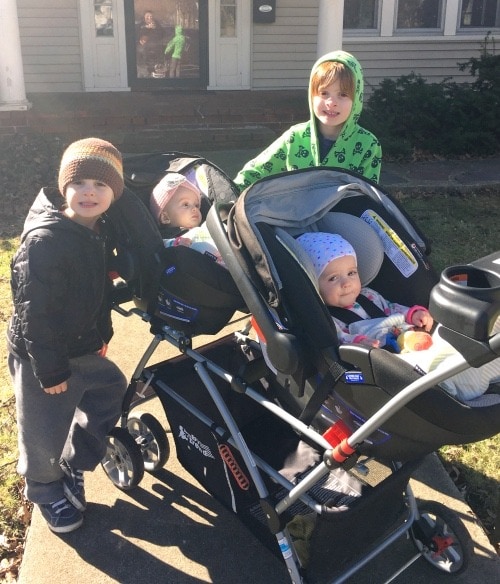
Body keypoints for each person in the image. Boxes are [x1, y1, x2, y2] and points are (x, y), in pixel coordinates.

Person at [7, 137, 128, 533]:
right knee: (42, 432)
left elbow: (95, 288)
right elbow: (34, 314)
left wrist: (101, 330)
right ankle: (45, 489)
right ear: (64, 188)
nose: (89, 192)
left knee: (110, 390)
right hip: (42, 353)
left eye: (101, 185)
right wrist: (51, 369)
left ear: (115, 193)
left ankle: (74, 461)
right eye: (80, 183)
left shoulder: (97, 230)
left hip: (83, 343)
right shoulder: (46, 241)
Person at [296, 232, 500, 404]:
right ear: (314, 284)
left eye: (351, 273)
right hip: (394, 362)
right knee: (446, 364)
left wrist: (413, 313)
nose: (347, 283)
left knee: (458, 332)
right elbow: (340, 339)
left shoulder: (369, 296)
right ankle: (464, 375)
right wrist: (360, 343)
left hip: (418, 338)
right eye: (333, 278)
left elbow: (392, 309)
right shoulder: (329, 319)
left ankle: (484, 350)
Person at [233, 50, 382, 193]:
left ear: (356, 99)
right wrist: (231, 191)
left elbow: (368, 197)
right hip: (295, 216)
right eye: (324, 93)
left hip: (341, 217)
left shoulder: (367, 145)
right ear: (312, 95)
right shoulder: (295, 137)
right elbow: (257, 170)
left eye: (342, 94)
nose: (331, 102)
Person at [149, 172, 224, 266]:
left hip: (229, 257)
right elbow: (162, 248)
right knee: (199, 245)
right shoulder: (167, 239)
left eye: (196, 205)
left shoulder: (205, 227)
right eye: (185, 204)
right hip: (206, 269)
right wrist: (176, 243)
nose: (194, 209)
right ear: (165, 217)